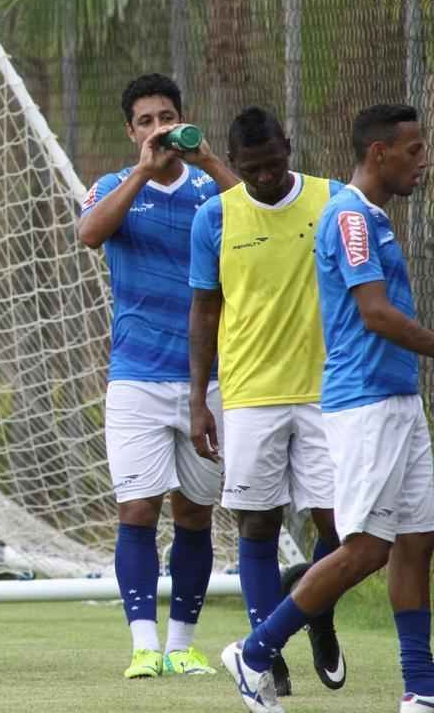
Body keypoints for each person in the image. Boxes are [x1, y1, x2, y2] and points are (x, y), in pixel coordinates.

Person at [222, 104, 434, 713]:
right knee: (365, 548)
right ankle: (254, 654)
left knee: (417, 540)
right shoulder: (350, 217)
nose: (423, 161)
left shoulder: (370, 216)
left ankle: (420, 687)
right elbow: (375, 313)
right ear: (379, 153)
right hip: (364, 403)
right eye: (414, 150)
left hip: (397, 396)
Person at [77, 73, 240, 680]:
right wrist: (142, 174)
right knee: (138, 510)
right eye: (145, 121)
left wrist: (211, 161)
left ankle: (182, 644)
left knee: (195, 513)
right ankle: (144, 647)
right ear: (130, 131)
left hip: (210, 379)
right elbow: (88, 234)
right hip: (136, 378)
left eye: (166, 117)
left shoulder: (209, 187)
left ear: (182, 118)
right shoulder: (112, 186)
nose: (157, 129)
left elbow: (260, 218)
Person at [189, 107, 344, 698]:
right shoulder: (215, 217)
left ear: (289, 147)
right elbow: (205, 309)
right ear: (233, 162)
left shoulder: (333, 201)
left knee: (349, 528)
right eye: (251, 169)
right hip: (250, 395)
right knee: (257, 522)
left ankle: (314, 604)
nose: (264, 177)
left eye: (273, 164)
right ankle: (265, 655)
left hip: (330, 390)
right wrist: (199, 399)